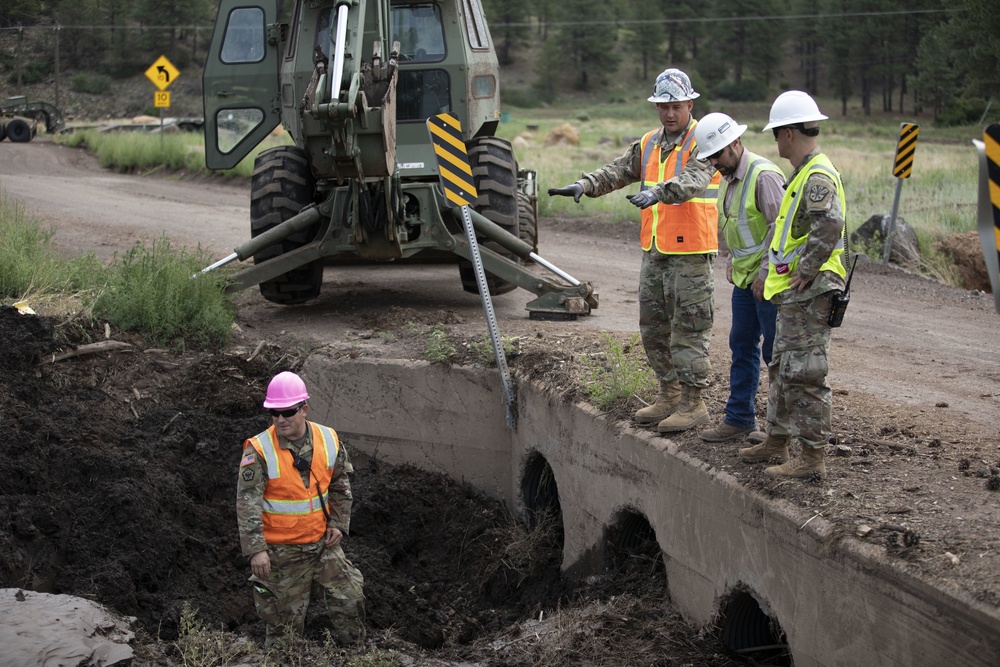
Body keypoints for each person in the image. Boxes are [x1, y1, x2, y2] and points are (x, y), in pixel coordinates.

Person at [548, 68, 720, 433]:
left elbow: (693, 180)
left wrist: (657, 192)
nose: (669, 113)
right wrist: (584, 184)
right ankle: (669, 393)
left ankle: (694, 403)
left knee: (689, 329)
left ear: (690, 103)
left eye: (675, 106)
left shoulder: (704, 141)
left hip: (691, 252)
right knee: (654, 328)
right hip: (655, 251)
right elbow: (619, 170)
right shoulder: (649, 142)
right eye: (663, 107)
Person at [738, 91, 847, 480]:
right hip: (796, 292)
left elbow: (830, 224)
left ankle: (811, 459)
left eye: (775, 134)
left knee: (805, 372)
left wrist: (807, 268)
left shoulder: (816, 176)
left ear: (787, 134)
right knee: (783, 366)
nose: (775, 142)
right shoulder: (803, 174)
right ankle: (778, 440)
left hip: (812, 291)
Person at [236, 371, 366, 644]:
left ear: (304, 409)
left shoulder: (328, 439)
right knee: (283, 623)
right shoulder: (258, 450)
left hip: (322, 544)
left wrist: (339, 524)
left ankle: (354, 653)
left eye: (288, 411)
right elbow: (248, 504)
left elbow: (340, 483)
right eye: (274, 412)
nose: (280, 419)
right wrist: (257, 551)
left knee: (350, 596)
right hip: (282, 553)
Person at [693, 113, 785, 443]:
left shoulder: (764, 176)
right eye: (710, 157)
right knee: (742, 346)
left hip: (769, 283)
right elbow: (738, 225)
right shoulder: (730, 178)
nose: (714, 162)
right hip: (746, 282)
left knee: (775, 354)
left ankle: (779, 432)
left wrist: (764, 274)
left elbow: (781, 232)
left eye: (717, 155)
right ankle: (740, 418)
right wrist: (732, 259)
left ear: (735, 143)